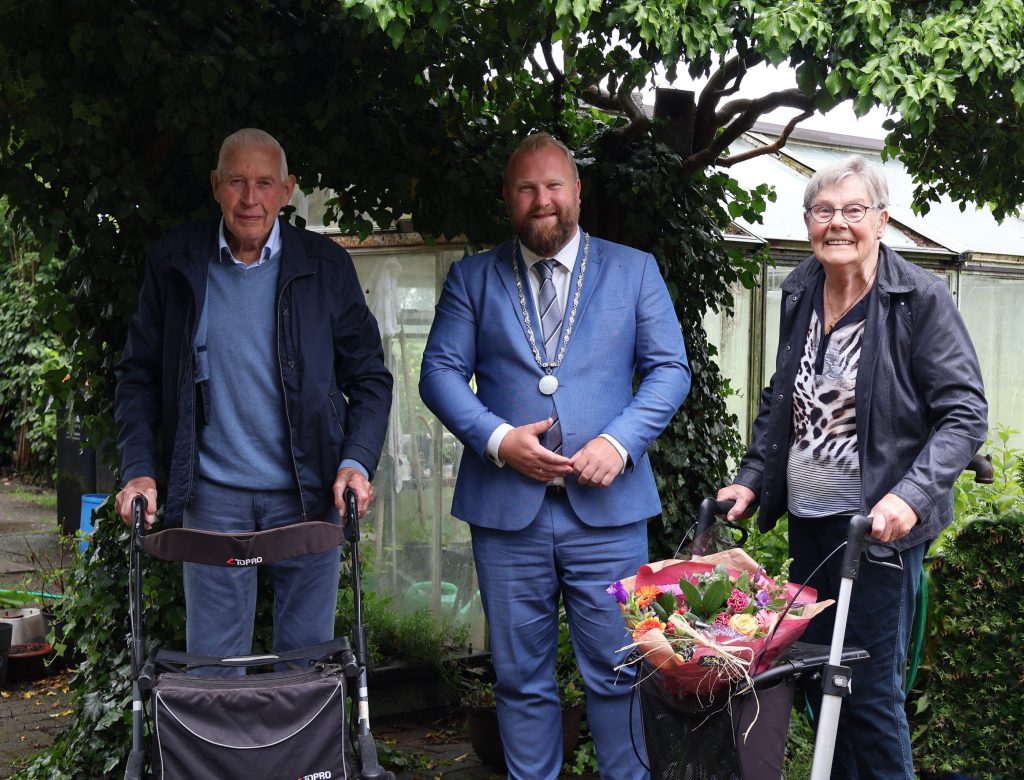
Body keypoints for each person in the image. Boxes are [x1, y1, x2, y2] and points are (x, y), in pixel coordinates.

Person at [420, 132, 690, 779]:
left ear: (577, 192)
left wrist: (618, 442)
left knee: (620, 672)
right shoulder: (473, 278)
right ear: (508, 199)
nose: (542, 200)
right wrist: (499, 440)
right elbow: (438, 373)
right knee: (520, 679)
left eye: (554, 186)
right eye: (526, 187)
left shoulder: (634, 270)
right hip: (506, 513)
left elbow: (670, 371)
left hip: (609, 510)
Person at [716, 155, 987, 779]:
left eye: (853, 210)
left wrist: (910, 496)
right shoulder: (800, 287)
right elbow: (783, 396)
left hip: (878, 533)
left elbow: (965, 413)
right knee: (816, 684)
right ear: (809, 221)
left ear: (882, 221)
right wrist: (754, 477)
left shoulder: (919, 298)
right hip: (811, 523)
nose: (837, 224)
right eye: (823, 211)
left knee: (866, 695)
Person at [113, 128, 392, 668]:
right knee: (214, 669)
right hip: (213, 497)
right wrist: (139, 470)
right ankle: (224, 756)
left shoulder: (326, 266)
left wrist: (356, 462)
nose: (250, 198)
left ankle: (301, 757)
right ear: (216, 186)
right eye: (237, 182)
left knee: (305, 664)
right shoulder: (175, 262)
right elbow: (138, 376)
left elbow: (370, 379)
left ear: (286, 190)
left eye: (265, 183)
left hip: (310, 493)